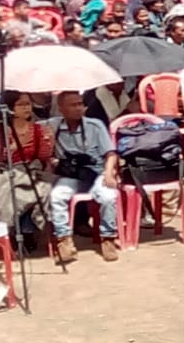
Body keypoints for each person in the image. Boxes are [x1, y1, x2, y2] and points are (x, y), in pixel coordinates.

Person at [47, 90, 122, 263]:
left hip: (96, 171)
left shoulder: (95, 125)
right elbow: (32, 131)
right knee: (57, 196)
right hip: (72, 175)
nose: (79, 108)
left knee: (108, 196)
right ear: (61, 108)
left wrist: (109, 173)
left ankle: (108, 237)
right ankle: (64, 240)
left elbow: (111, 153)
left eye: (80, 104)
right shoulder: (53, 125)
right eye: (73, 105)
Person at [0, 90, 54, 243]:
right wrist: (16, 146)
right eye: (20, 105)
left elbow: (42, 157)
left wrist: (49, 143)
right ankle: (12, 230)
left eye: (28, 104)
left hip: (30, 170)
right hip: (5, 170)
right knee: (12, 189)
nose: (26, 108)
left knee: (42, 187)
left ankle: (28, 230)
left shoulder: (37, 129)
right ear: (10, 108)